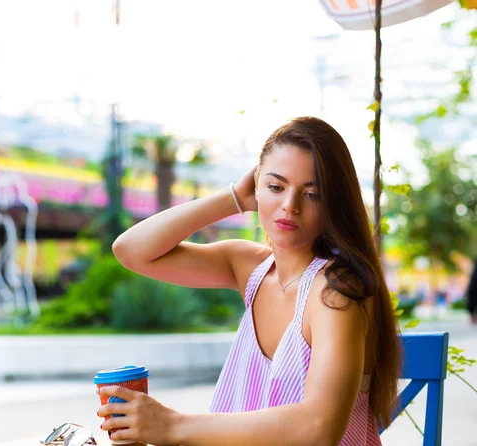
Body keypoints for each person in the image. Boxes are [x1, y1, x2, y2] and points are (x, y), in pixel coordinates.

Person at [100, 117, 402, 445]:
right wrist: (235, 198)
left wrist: (172, 426)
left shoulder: (337, 292)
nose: (290, 206)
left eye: (312, 194)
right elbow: (131, 250)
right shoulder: (251, 268)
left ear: (333, 203)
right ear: (256, 184)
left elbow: (320, 427)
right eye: (275, 187)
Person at [467, 257, 477, 325]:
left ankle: (473, 317)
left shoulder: (474, 272)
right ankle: (473, 317)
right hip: (473, 291)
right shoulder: (474, 272)